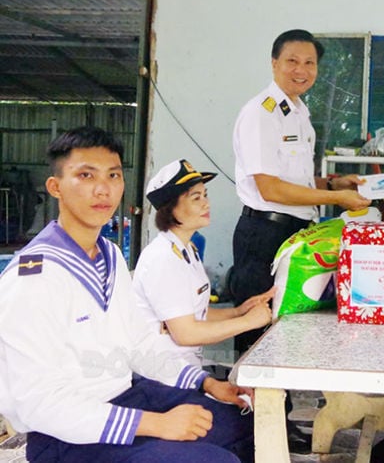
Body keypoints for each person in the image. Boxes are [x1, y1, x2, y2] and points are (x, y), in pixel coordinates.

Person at [0, 127, 255, 462]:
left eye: (113, 175)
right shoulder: (33, 276)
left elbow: (138, 340)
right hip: (67, 436)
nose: (103, 188)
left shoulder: (110, 255)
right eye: (86, 175)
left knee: (243, 424)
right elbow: (36, 404)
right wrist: (155, 424)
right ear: (55, 187)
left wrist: (206, 384)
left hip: (129, 395)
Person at [230, 28, 370, 451]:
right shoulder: (262, 112)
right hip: (265, 231)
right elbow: (271, 188)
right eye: (292, 61)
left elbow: (296, 180)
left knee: (284, 330)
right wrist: (335, 197)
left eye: (310, 63)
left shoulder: (298, 112)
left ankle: (280, 420)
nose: (302, 70)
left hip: (292, 232)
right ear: (274, 63)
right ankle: (250, 427)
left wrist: (334, 181)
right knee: (258, 329)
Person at [133, 159, 274, 376]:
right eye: (196, 198)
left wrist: (238, 312)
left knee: (257, 384)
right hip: (163, 375)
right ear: (171, 209)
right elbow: (186, 333)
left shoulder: (188, 249)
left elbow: (195, 314)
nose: (206, 204)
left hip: (187, 368)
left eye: (205, 195)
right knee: (251, 395)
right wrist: (248, 322)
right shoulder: (163, 259)